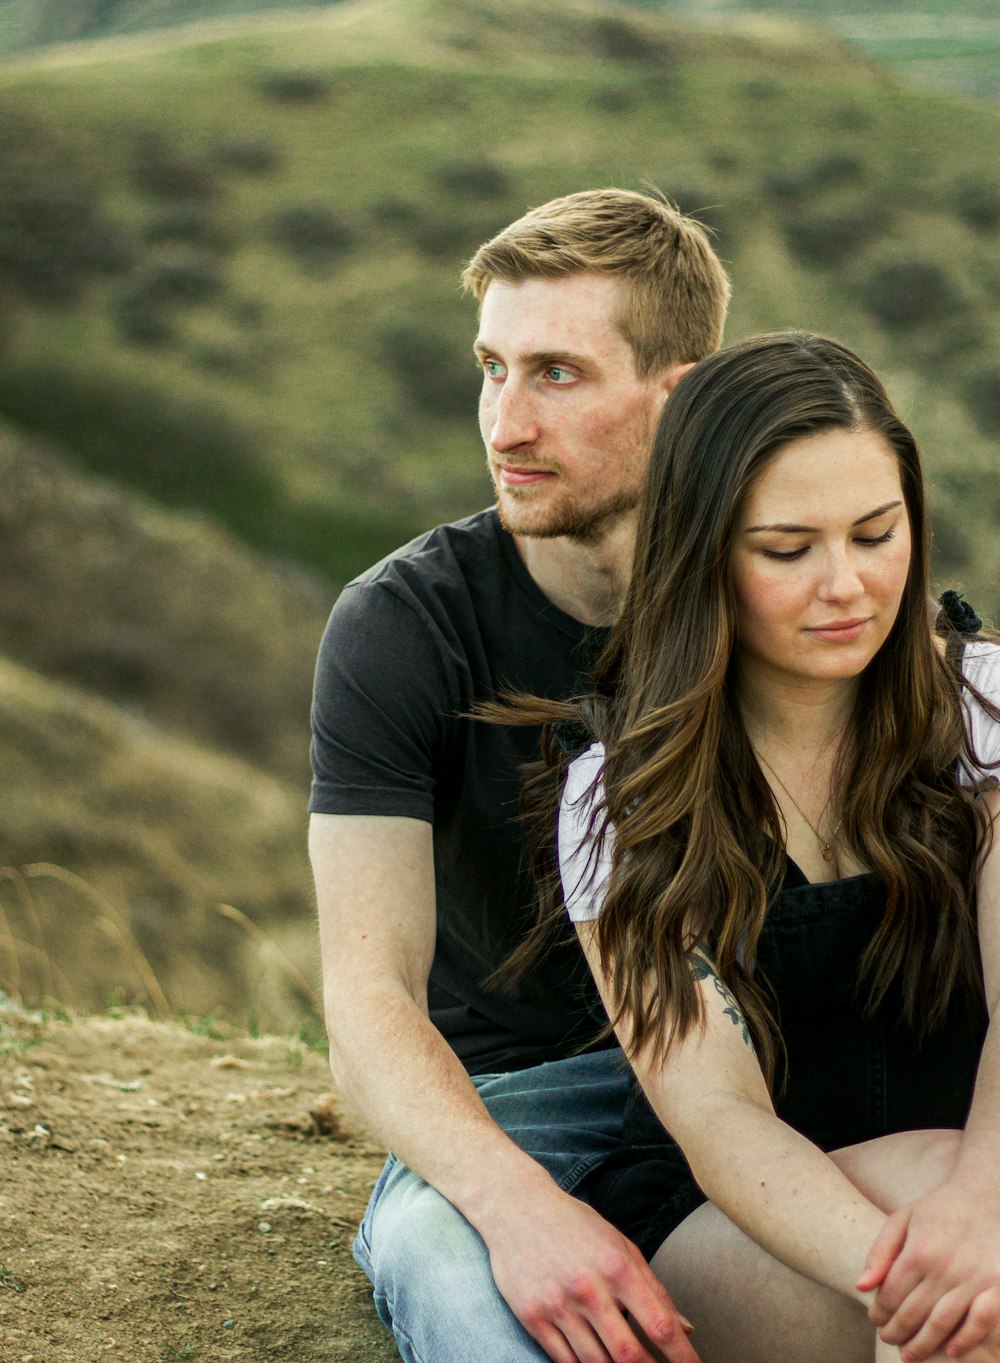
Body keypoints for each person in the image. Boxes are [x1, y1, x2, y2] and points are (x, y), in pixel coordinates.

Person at [308, 188, 731, 1363]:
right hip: (514, 1106)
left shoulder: (779, 584)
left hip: (755, 1082)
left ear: (678, 395)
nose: (503, 423)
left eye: (555, 374)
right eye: (490, 368)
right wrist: (516, 1205)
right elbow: (366, 994)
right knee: (446, 1258)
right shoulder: (401, 625)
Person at [529, 331, 1000, 1362]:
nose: (846, 585)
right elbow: (718, 1117)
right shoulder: (620, 800)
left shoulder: (986, 718)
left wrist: (981, 1213)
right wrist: (920, 1277)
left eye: (875, 535)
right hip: (740, 1229)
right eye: (788, 550)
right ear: (703, 554)